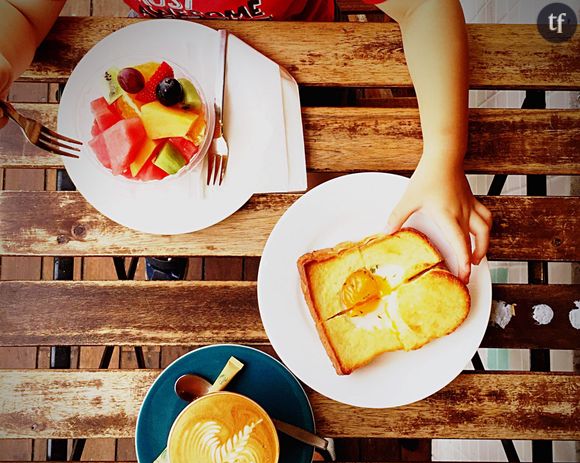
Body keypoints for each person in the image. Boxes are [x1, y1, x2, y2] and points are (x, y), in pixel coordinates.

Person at [0, 0, 491, 282]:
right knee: (169, 215)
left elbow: (424, 5)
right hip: (163, 69)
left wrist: (443, 155)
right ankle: (173, 238)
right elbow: (21, 10)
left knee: (319, 208)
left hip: (305, 69)